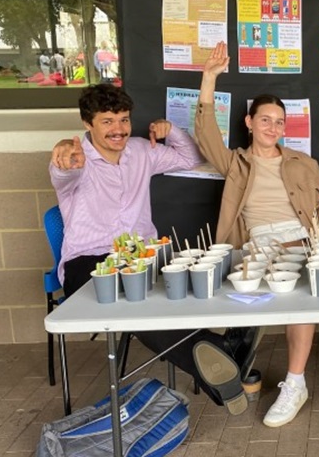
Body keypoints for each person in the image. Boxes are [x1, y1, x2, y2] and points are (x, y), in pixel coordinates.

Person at [194, 42, 319, 428]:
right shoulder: (235, 162)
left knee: (304, 271)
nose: (273, 128)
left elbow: (317, 211)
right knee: (305, 275)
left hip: (303, 237)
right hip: (258, 244)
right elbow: (206, 133)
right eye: (265, 120)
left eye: (279, 122)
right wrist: (209, 78)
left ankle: (296, 384)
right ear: (249, 123)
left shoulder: (303, 163)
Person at [49, 84, 259, 416]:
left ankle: (218, 365)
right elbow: (63, 173)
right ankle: (220, 350)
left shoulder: (140, 151)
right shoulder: (75, 159)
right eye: (107, 121)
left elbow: (191, 156)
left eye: (123, 119)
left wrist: (171, 130)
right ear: (87, 123)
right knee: (136, 304)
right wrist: (64, 158)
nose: (118, 129)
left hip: (144, 256)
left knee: (174, 288)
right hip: (89, 263)